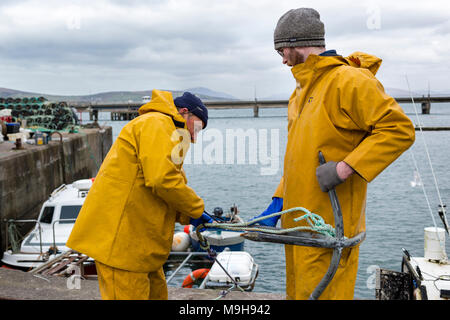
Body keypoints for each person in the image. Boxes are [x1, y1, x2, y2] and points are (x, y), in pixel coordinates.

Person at [252, 8, 415, 299]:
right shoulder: (299, 94)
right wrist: (279, 198)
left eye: (282, 49)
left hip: (331, 234)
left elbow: (398, 130)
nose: (282, 58)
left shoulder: (350, 81)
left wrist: (345, 168)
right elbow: (299, 157)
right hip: (299, 233)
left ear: (296, 42)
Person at [66, 90, 213, 300]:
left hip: (140, 247)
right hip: (122, 248)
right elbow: (162, 179)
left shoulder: (165, 130)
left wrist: (188, 214)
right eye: (197, 127)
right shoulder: (158, 123)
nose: (195, 137)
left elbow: (166, 182)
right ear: (184, 112)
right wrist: (196, 210)